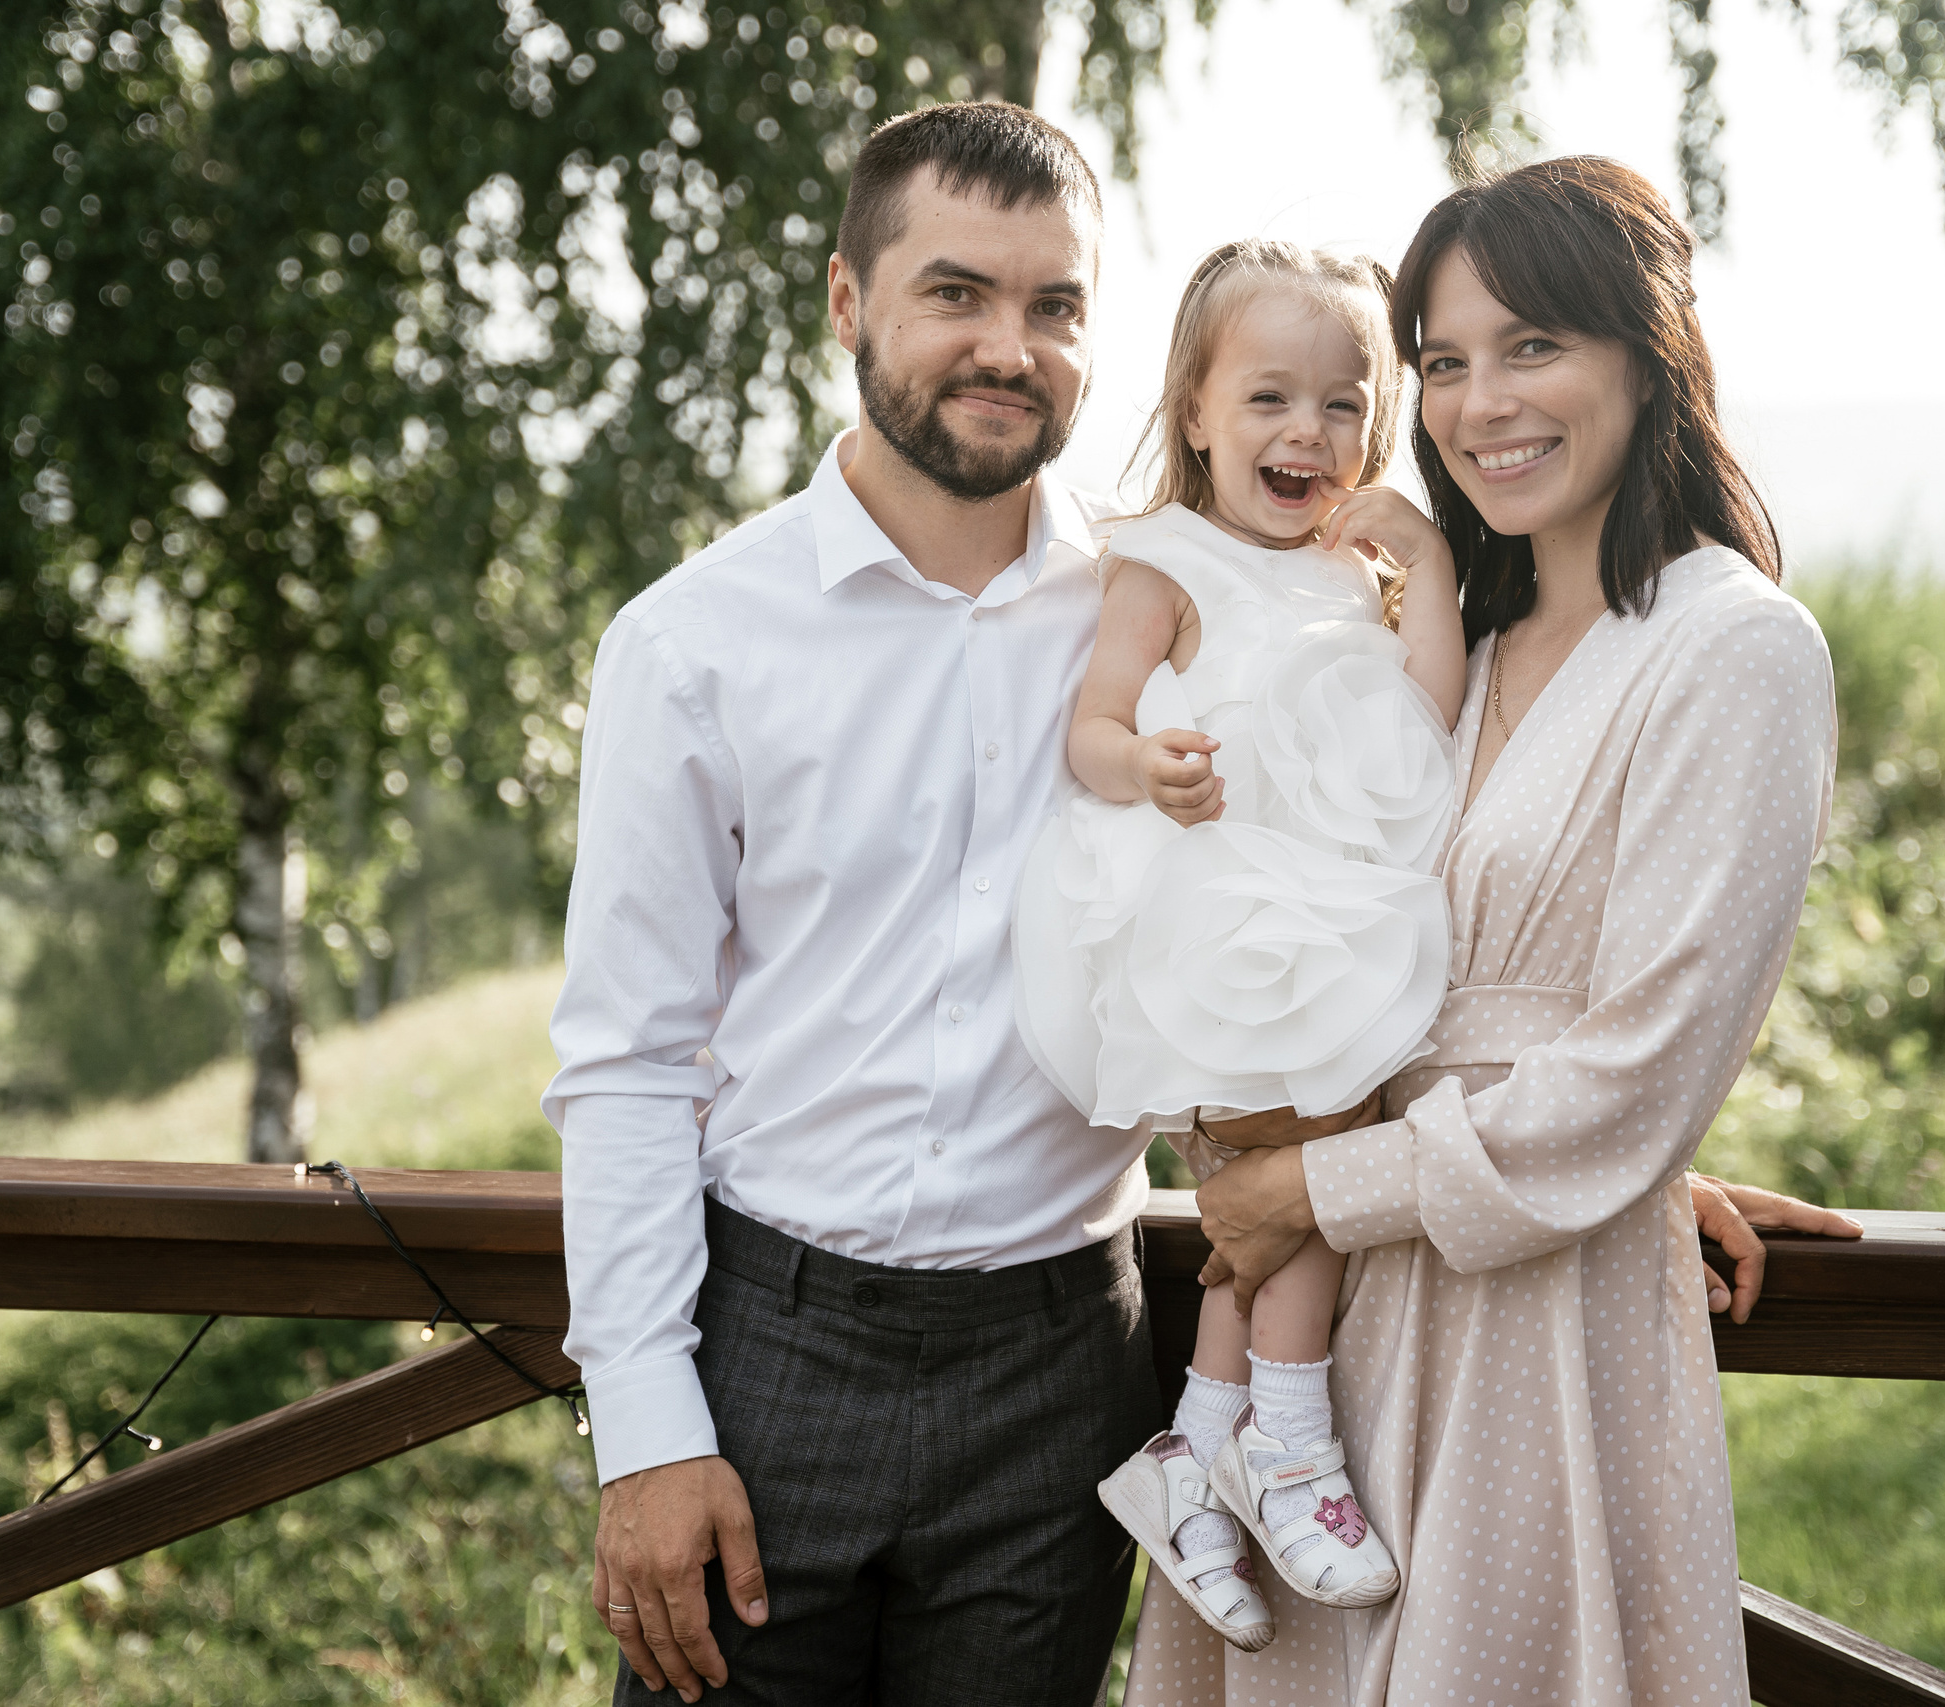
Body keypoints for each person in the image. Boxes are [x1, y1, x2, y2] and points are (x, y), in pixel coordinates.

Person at [549, 102, 1858, 1707]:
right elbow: (624, 1056)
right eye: (955, 293)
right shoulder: (700, 642)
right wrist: (647, 1427)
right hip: (780, 1348)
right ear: (847, 303)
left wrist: (1619, 1155)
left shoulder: (1183, 596)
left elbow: (1359, 888)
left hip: (1071, 1358)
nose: (1006, 346)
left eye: (1054, 306)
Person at [1123, 155, 1857, 1707]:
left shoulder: (1734, 649)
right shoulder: (1453, 645)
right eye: (1443, 363)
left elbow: (1633, 1068)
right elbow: (1367, 960)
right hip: (1332, 1330)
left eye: (1533, 346)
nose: (1481, 403)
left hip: (1534, 1334)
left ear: (1646, 354)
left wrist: (1332, 1181)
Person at [1011, 239, 1469, 1649]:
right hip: (1210, 924)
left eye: (1343, 406)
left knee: (1280, 1192)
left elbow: (1430, 716)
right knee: (1304, 1181)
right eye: (1269, 399)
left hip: (1329, 921)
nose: (1307, 434)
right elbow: (1090, 728)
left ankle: (1195, 1452)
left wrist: (1433, 558)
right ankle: (1285, 1437)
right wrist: (1148, 768)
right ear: (1197, 411)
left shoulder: (1358, 573)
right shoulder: (1163, 564)